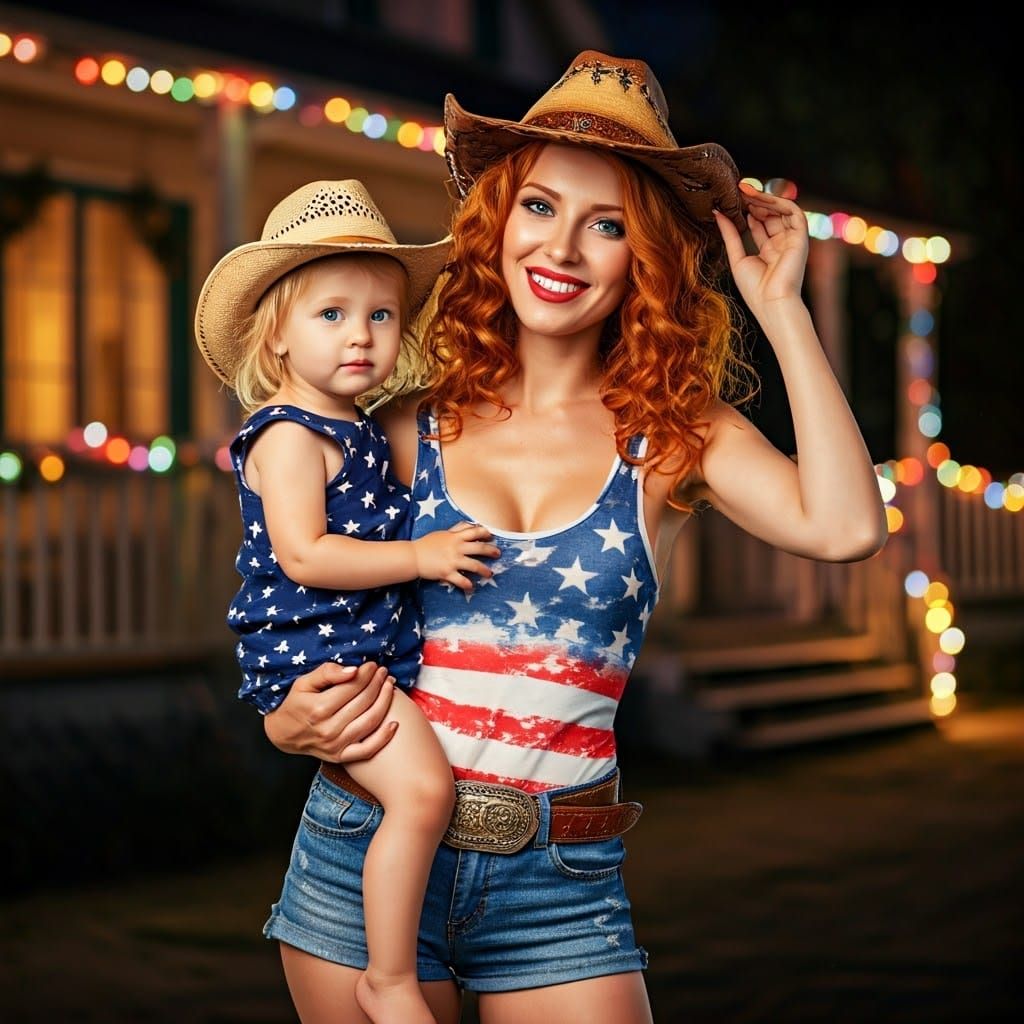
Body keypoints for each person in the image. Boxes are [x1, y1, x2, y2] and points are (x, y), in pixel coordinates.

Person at [258, 52, 889, 1023]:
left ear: (646, 256)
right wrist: (282, 719)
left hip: (557, 877)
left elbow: (846, 527)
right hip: (363, 845)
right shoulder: (397, 428)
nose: (562, 248)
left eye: (608, 225)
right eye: (540, 207)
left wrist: (781, 309)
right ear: (498, 219)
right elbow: (301, 590)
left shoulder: (679, 438)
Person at [193, 179, 500, 1024]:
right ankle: (390, 975)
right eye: (330, 314)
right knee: (425, 794)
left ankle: (397, 965)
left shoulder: (360, 424)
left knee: (418, 792)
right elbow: (307, 553)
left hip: (361, 649)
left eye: (379, 316)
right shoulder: (290, 433)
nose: (360, 336)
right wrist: (423, 554)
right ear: (278, 336)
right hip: (317, 654)